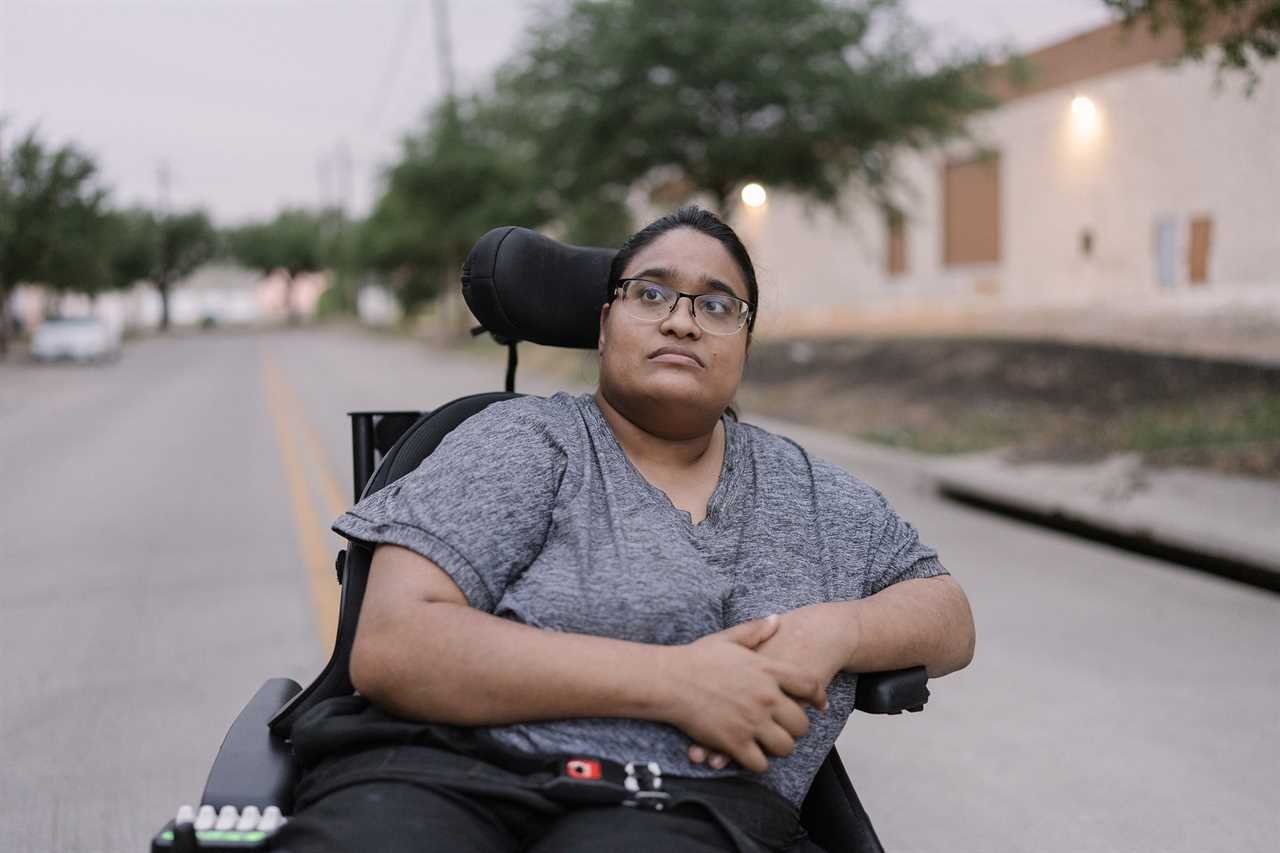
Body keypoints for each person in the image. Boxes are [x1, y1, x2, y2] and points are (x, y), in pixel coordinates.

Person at [272, 206, 975, 852]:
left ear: (745, 342)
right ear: (605, 325)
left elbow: (947, 613)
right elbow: (395, 644)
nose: (682, 322)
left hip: (688, 813)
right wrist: (678, 682)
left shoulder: (812, 493)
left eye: (717, 305)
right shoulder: (521, 442)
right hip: (444, 777)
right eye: (651, 293)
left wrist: (837, 630)